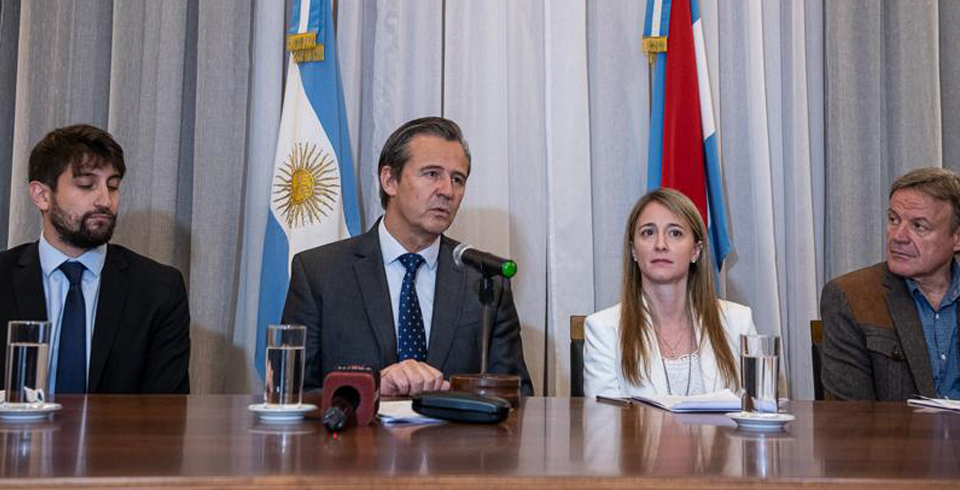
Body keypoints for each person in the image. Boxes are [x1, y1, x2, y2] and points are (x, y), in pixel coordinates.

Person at [282, 116, 532, 396]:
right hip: (356, 425)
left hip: (453, 427)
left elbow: (517, 395)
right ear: (390, 180)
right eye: (432, 174)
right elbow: (291, 395)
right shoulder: (319, 273)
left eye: (457, 179)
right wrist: (372, 387)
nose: (448, 191)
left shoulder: (485, 281)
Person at [0, 124, 190, 394]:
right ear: (41, 196)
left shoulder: (160, 289)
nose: (105, 200)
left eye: (112, 186)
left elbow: (167, 409)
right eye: (86, 185)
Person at [583, 188, 755, 398]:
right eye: (648, 232)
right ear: (634, 250)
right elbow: (605, 416)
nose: (660, 245)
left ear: (696, 250)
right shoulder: (603, 329)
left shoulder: (738, 322)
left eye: (675, 233)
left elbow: (759, 407)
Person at [821, 167, 960, 401]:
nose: (898, 236)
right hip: (892, 427)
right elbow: (850, 413)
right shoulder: (851, 297)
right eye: (894, 220)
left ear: (956, 238)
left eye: (919, 226)